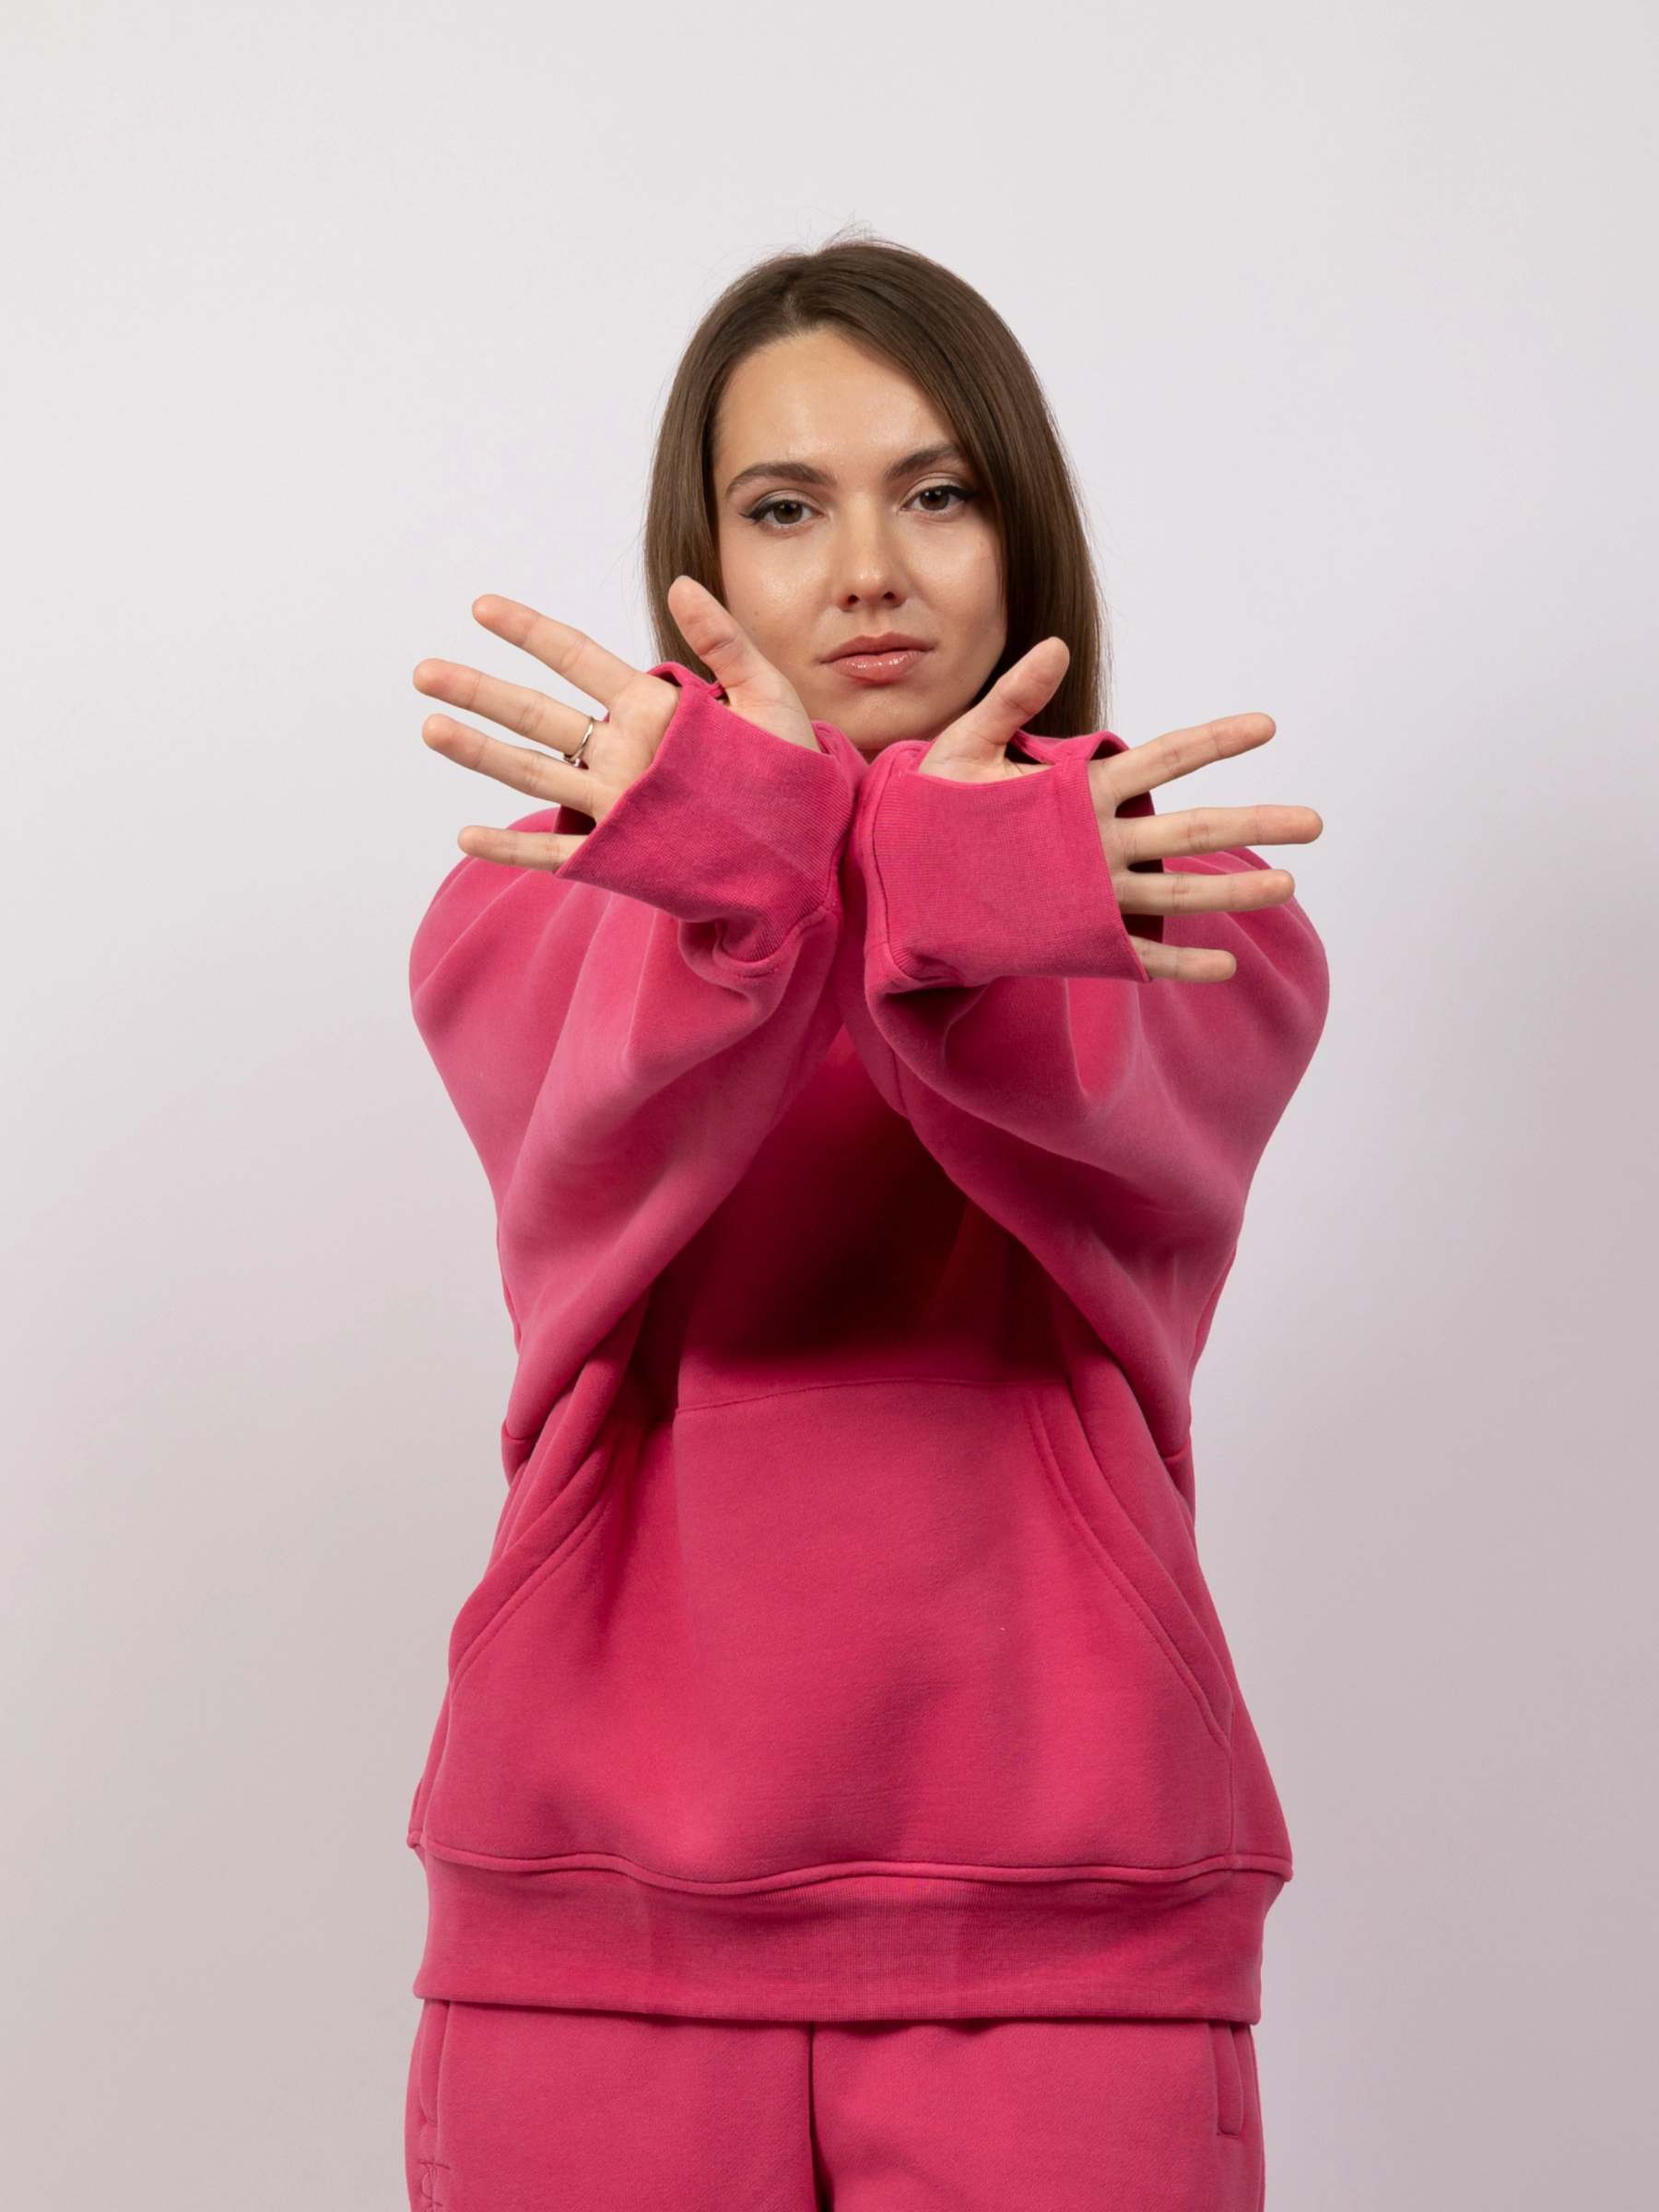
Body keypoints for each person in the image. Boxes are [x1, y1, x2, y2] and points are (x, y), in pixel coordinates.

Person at [400, 233, 1327, 2210]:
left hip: (1076, 1914)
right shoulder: (551, 887)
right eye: (786, 507)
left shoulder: (1157, 880)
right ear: (702, 559)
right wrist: (758, 879)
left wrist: (963, 898)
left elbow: (1134, 1131)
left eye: (937, 491)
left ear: (1021, 525)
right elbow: (586, 1119)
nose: (868, 570)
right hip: (589, 1906)